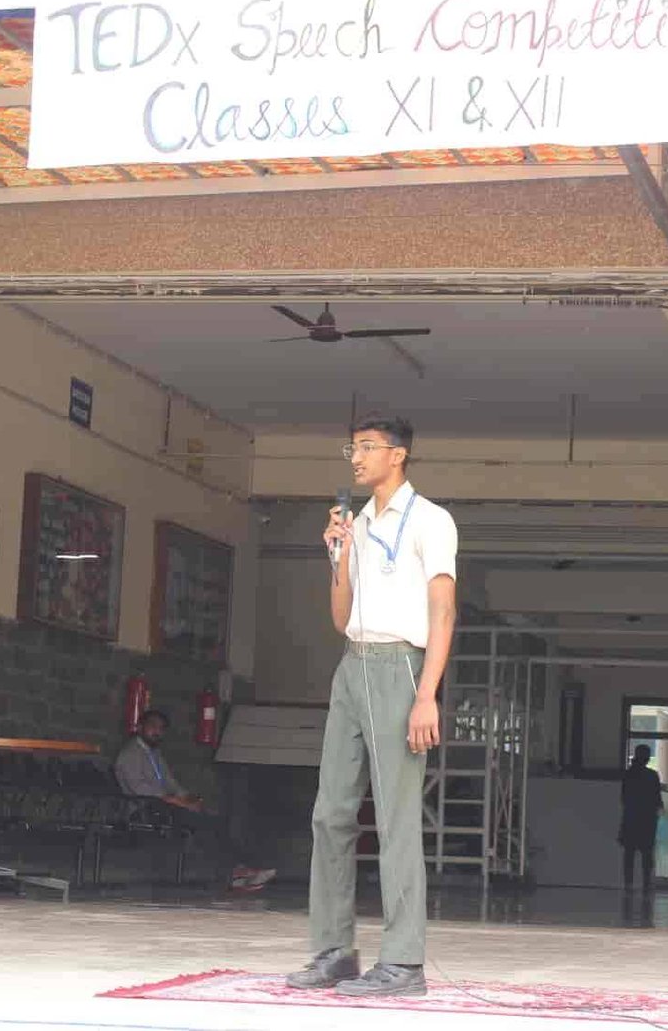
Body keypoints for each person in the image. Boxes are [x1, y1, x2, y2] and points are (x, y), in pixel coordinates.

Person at [286, 414, 458, 999]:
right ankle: (334, 950)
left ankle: (404, 962)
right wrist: (337, 555)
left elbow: (443, 611)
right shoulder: (357, 523)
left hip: (401, 667)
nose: (355, 458)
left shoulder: (431, 520)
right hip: (352, 666)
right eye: (352, 448)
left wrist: (427, 694)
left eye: (366, 447)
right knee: (330, 812)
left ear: (398, 454)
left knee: (395, 820)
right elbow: (341, 618)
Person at [114, 710, 276, 893]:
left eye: (161, 728)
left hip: (165, 807)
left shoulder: (155, 754)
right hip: (144, 810)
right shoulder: (130, 754)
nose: (157, 731)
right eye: (153, 726)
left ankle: (241, 868)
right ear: (139, 727)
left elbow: (170, 783)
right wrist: (181, 803)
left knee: (213, 820)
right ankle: (236, 871)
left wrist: (188, 798)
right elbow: (144, 791)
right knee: (203, 823)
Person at [619, 745, 664, 892]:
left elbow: (624, 797)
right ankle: (646, 882)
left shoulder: (628, 774)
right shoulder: (652, 775)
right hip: (647, 819)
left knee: (629, 853)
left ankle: (628, 882)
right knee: (647, 853)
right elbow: (657, 799)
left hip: (631, 817)